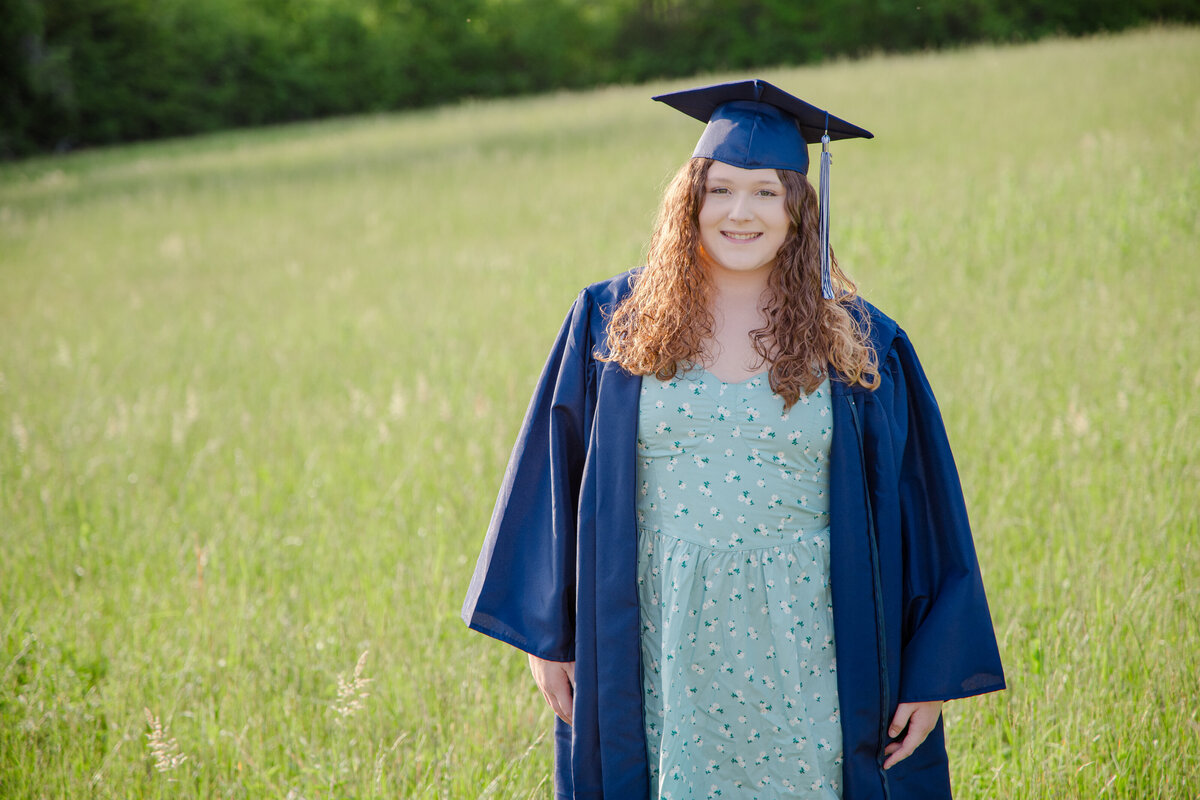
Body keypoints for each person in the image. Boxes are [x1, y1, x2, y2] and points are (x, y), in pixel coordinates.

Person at [462, 79, 1004, 800]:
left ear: (799, 211)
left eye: (765, 193)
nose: (739, 212)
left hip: (808, 637)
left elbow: (922, 508)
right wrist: (547, 637)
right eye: (719, 191)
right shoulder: (610, 323)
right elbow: (552, 478)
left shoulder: (860, 342)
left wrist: (929, 675)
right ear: (689, 202)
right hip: (658, 631)